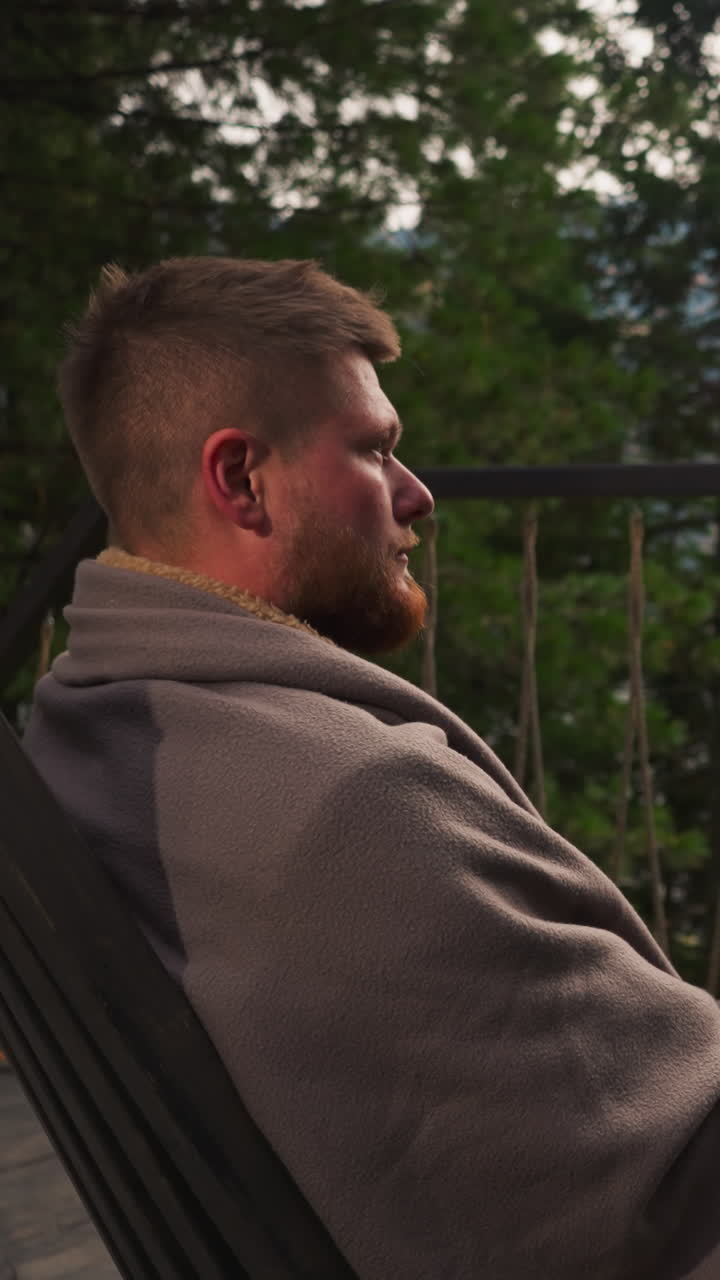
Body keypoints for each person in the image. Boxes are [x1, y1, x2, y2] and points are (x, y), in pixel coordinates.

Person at [24, 256, 720, 1280]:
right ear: (241, 479)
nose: (419, 493)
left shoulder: (85, 726)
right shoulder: (364, 811)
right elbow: (664, 1180)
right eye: (375, 449)